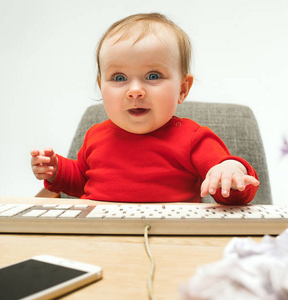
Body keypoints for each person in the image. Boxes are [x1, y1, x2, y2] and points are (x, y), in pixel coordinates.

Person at [31, 13, 259, 204]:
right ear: (102, 88)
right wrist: (57, 169)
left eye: (153, 76)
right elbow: (81, 181)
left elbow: (229, 190)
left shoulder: (194, 139)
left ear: (182, 89)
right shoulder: (95, 136)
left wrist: (231, 172)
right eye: (119, 77)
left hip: (169, 237)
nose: (135, 90)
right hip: (99, 234)